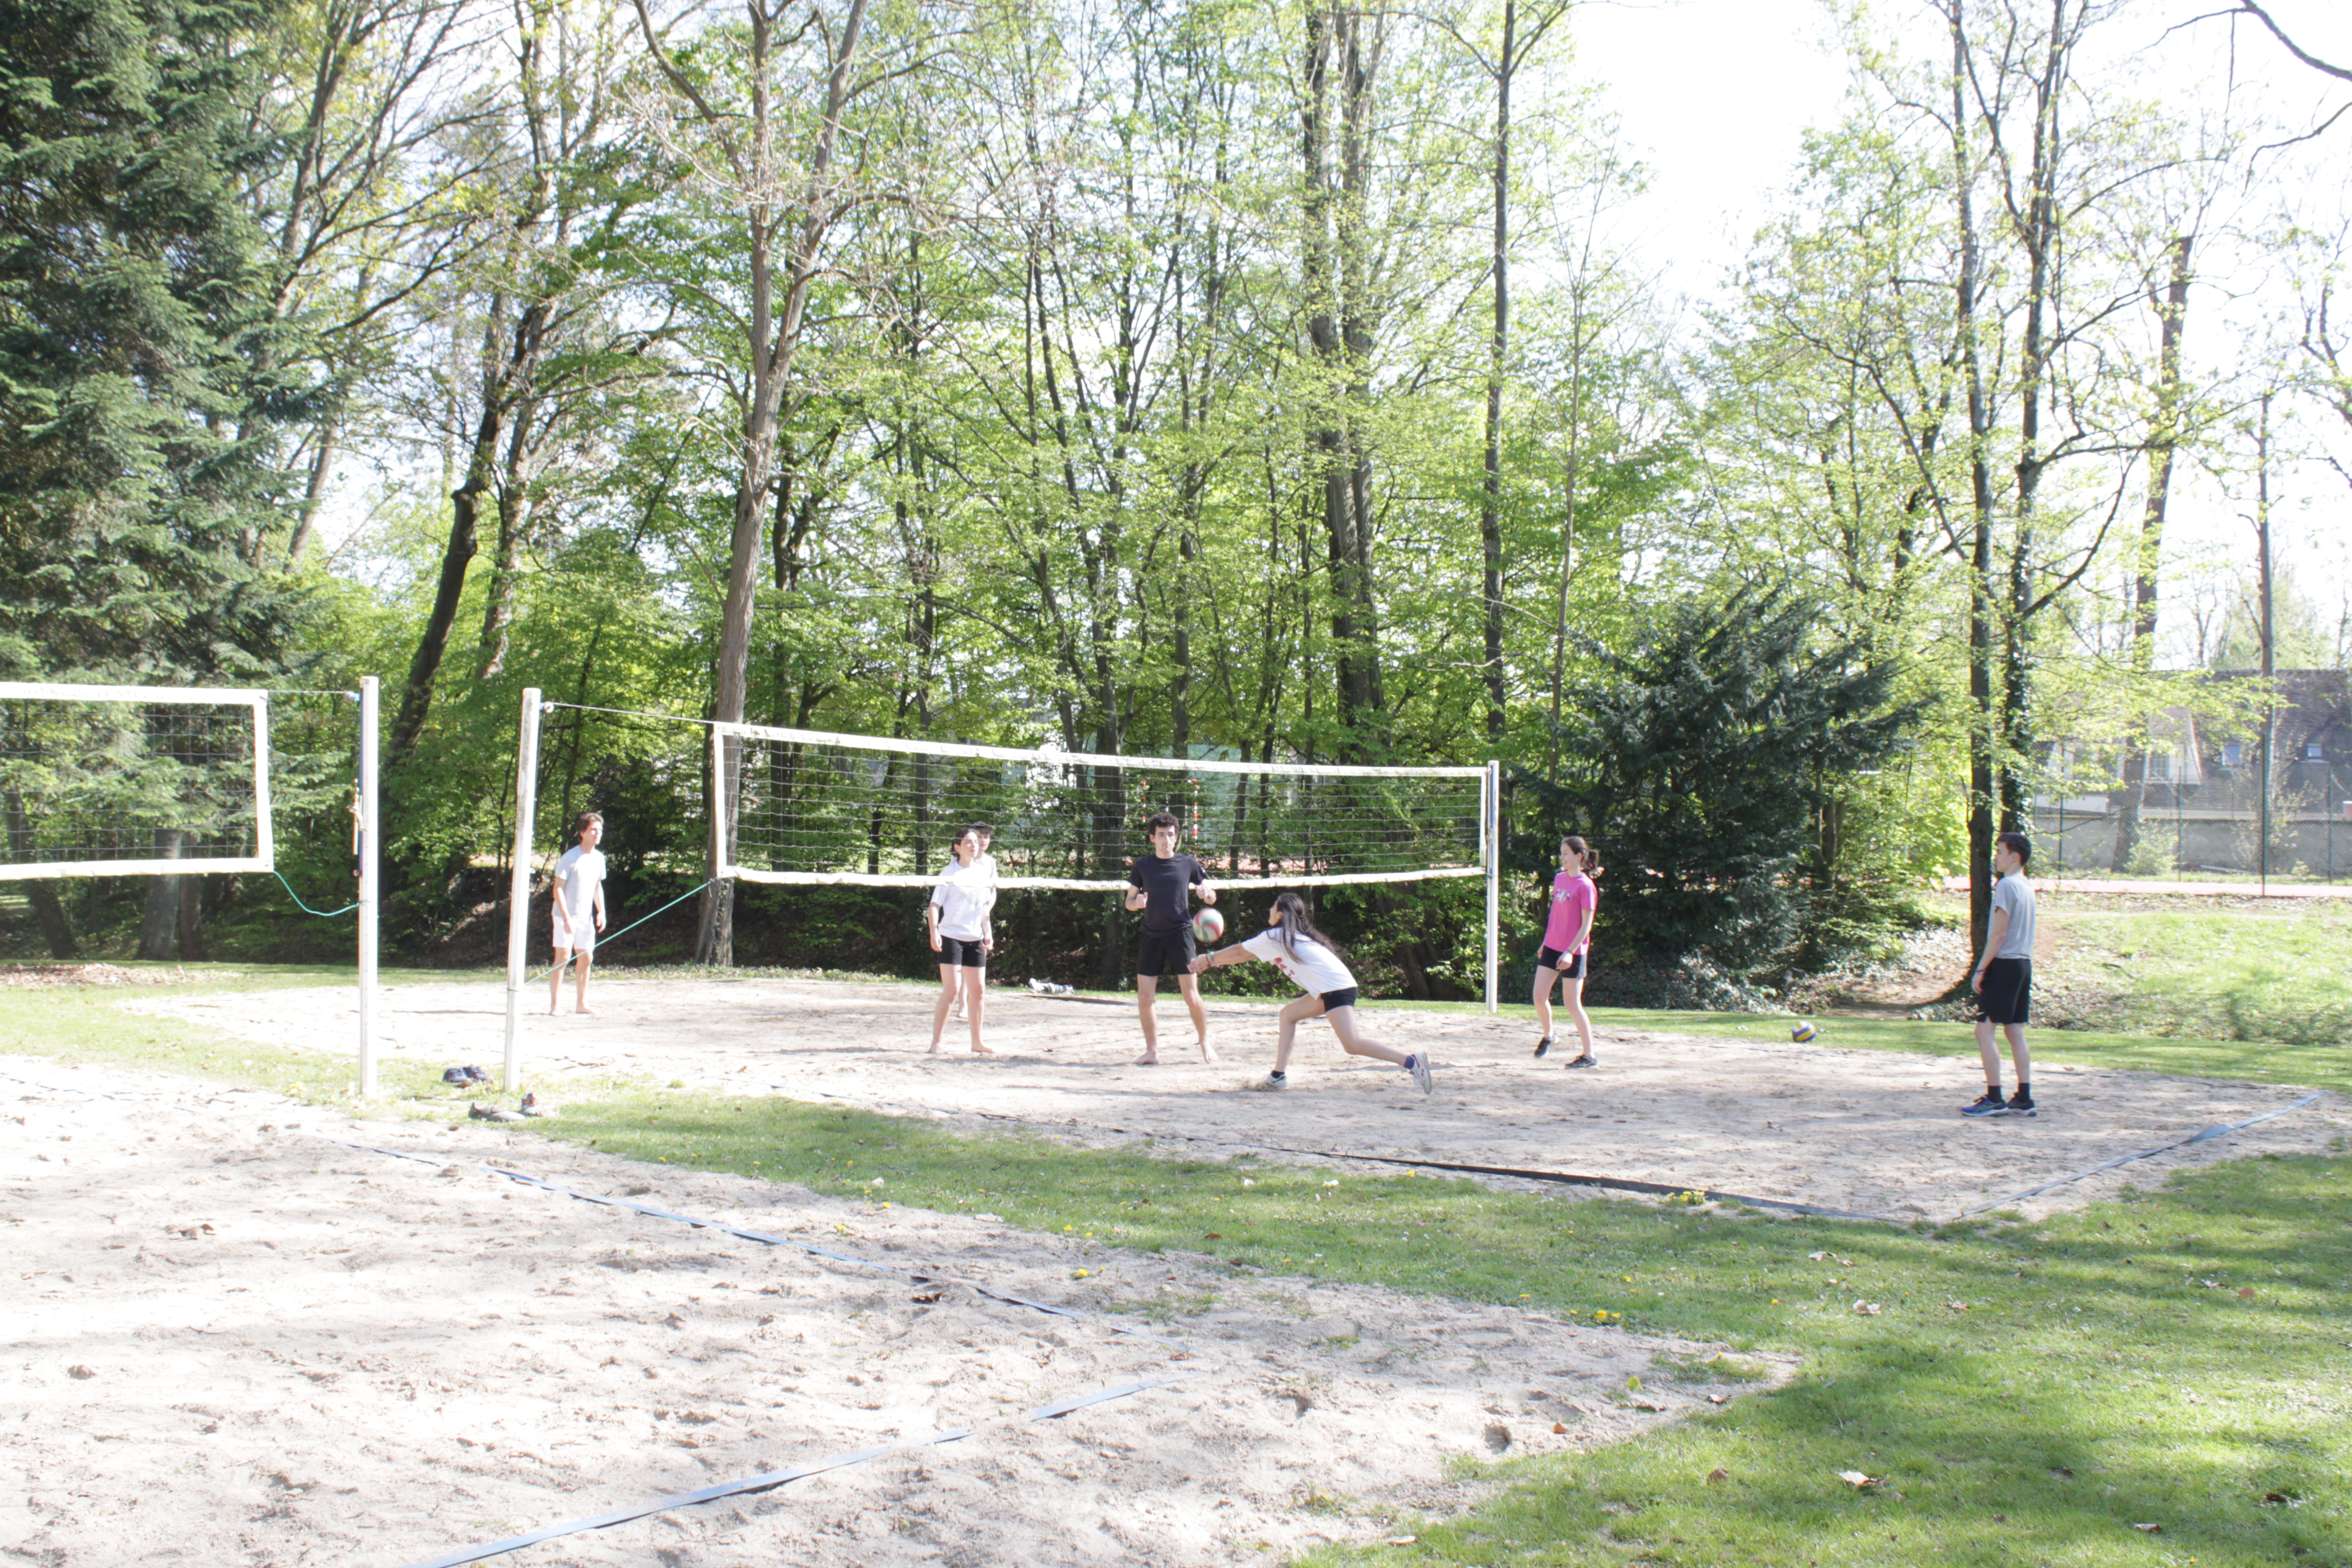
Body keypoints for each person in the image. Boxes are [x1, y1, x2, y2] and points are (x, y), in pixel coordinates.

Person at [1191, 891, 1433, 1095]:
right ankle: (1278, 1076)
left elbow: (1239, 953)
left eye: (1273, 906)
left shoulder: (1277, 936)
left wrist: (1208, 959)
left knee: (1352, 1043)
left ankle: (1412, 1062)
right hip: (1330, 988)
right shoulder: (1287, 937)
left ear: (1282, 914)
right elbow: (1245, 955)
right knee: (1288, 1014)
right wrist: (1210, 962)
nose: (1269, 909)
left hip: (1336, 989)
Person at [1125, 809, 1219, 1065]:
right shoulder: (1142, 866)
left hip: (1181, 934)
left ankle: (1204, 1041)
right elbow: (1128, 902)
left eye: (1171, 835)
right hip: (1151, 936)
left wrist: (1205, 894)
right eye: (1161, 835)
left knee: (1191, 996)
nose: (1167, 840)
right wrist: (1139, 903)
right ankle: (1152, 1052)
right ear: (1152, 838)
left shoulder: (1188, 863)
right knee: (1145, 998)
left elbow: (1212, 897)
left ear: (1177, 837)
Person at [1963, 831, 2038, 1118]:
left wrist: (1981, 969)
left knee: (1984, 1030)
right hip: (2023, 964)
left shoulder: (2007, 885)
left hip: (2005, 964)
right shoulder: (2027, 886)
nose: (1996, 857)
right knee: (2014, 1030)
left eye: (1999, 851)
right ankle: (2024, 1097)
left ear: (2014, 857)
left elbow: (1999, 933)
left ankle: (1995, 1097)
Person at [927, 825, 997, 1055]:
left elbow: (984, 908)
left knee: (978, 991)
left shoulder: (981, 873)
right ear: (957, 847)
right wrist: (934, 932)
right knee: (952, 990)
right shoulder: (949, 874)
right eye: (968, 842)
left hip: (975, 938)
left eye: (976, 841)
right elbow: (934, 906)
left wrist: (987, 931)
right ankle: (936, 1043)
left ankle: (977, 1042)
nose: (974, 844)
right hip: (952, 937)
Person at [1532, 835, 1602, 1067]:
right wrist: (1546, 941)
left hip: (1574, 952)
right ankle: (1550, 1035)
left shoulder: (1586, 886)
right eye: (1561, 853)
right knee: (1539, 996)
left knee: (1572, 1004)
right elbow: (1555, 915)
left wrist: (1570, 951)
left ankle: (1590, 1056)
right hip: (1553, 946)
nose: (1561, 857)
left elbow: (1586, 925)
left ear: (1579, 856)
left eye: (1565, 853)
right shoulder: (1560, 879)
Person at [548, 811, 608, 1017]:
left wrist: (601, 912)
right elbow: (558, 890)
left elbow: (597, 887)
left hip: (586, 918)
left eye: (600, 830)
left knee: (586, 958)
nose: (597, 833)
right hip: (564, 916)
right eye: (593, 829)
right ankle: (555, 1006)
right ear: (582, 832)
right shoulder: (570, 857)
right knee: (563, 957)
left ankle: (581, 1003)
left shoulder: (599, 858)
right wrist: (566, 919)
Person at [949, 823, 996, 1023]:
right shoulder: (958, 863)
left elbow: (991, 891)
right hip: (960, 920)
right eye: (979, 837)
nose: (983, 841)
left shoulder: (990, 862)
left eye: (986, 837)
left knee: (976, 962)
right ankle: (963, 1004)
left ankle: (973, 1001)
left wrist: (985, 912)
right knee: (959, 965)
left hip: (980, 916)